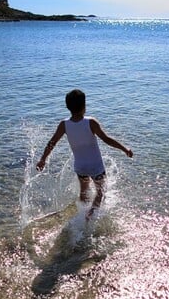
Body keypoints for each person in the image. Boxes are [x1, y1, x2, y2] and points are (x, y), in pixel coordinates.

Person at [36, 89, 133, 219]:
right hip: (96, 166)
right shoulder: (91, 122)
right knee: (100, 192)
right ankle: (90, 215)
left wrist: (43, 159)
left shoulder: (64, 125)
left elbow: (51, 143)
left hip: (80, 167)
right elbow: (106, 139)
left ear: (68, 107)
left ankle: (81, 215)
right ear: (84, 106)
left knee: (84, 191)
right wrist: (124, 148)